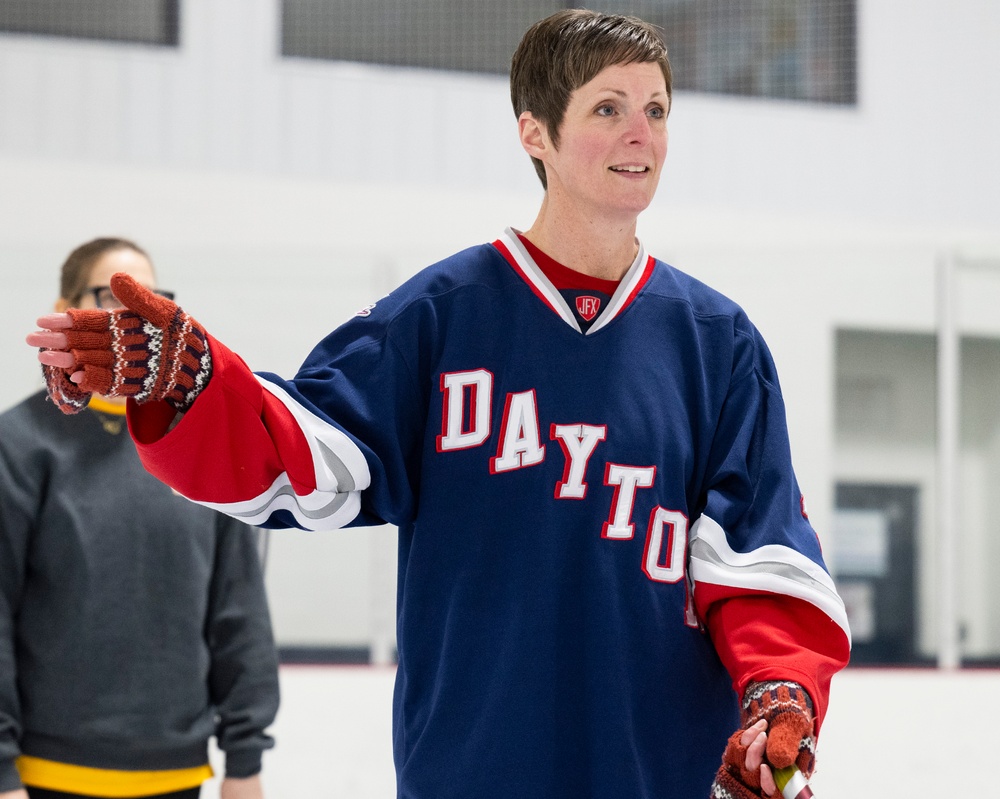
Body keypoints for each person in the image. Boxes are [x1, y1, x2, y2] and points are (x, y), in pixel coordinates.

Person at [27, 11, 850, 799]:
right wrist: (194, 385)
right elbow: (303, 453)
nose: (642, 133)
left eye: (657, 110)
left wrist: (779, 694)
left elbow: (756, 550)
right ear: (536, 132)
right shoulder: (439, 315)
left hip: (658, 772)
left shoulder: (718, 342)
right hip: (472, 771)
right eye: (609, 107)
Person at [4, 238, 280, 799]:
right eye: (111, 295)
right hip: (46, 774)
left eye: (150, 299)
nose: (132, 314)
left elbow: (238, 607)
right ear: (66, 307)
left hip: (178, 770)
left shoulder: (202, 439)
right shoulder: (20, 444)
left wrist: (245, 758)